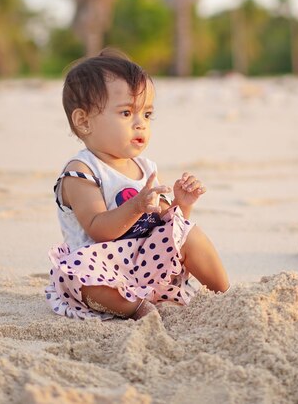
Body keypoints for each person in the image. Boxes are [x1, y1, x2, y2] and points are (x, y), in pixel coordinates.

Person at [45, 49, 229, 320]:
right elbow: (99, 230)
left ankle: (225, 295)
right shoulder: (81, 172)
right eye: (126, 113)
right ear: (84, 122)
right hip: (103, 267)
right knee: (81, 277)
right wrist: (136, 206)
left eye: (147, 114)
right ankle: (135, 307)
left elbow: (166, 227)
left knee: (189, 232)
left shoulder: (145, 167)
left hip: (146, 264)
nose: (140, 124)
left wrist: (181, 205)